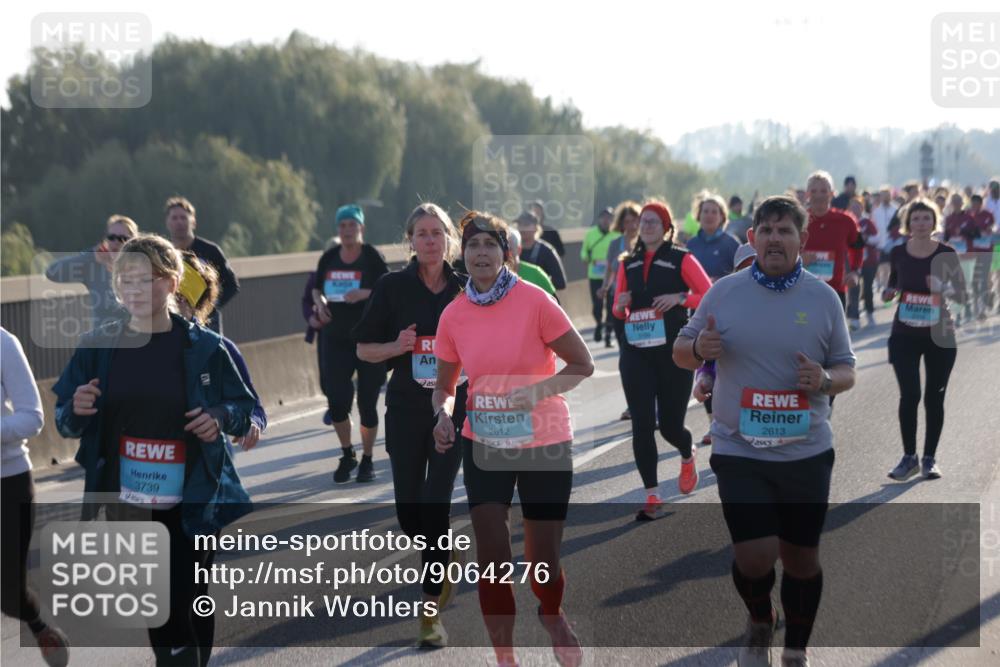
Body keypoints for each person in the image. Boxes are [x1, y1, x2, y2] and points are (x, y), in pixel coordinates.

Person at [52, 234, 255, 667]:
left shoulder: (204, 346)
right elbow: (64, 420)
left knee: (187, 594)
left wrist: (218, 415)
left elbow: (244, 407)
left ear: (173, 281)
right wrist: (76, 408)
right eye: (125, 280)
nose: (135, 289)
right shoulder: (99, 346)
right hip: (129, 499)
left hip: (193, 495)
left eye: (146, 279)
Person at [674, 195, 857, 667]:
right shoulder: (724, 292)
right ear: (752, 238)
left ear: (801, 239)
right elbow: (680, 349)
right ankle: (760, 618)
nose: (775, 239)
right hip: (740, 447)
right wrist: (699, 348)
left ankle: (796, 648)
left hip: (805, 451)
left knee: (800, 561)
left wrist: (824, 380)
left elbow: (846, 370)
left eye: (785, 230)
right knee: (755, 558)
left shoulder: (823, 298)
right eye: (767, 230)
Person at [431, 211, 593, 667]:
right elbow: (445, 386)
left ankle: (552, 612)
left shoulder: (535, 300)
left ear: (506, 252)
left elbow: (582, 364)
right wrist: (442, 416)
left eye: (490, 244)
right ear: (462, 255)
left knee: (542, 562)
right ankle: (505, 657)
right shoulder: (454, 315)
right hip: (483, 440)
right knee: (492, 558)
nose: (481, 252)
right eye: (473, 245)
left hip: (545, 441)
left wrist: (538, 391)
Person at [353, 203, 468, 648]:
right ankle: (444, 551)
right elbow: (363, 350)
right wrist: (396, 345)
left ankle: (428, 615)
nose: (430, 241)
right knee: (409, 514)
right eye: (421, 233)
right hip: (403, 406)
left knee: (435, 505)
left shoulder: (465, 289)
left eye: (437, 233)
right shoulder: (392, 287)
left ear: (448, 240)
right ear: (410, 241)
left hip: (451, 410)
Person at [611, 200, 712, 519]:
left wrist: (680, 298)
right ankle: (652, 495)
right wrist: (621, 303)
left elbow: (708, 294)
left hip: (673, 352)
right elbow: (617, 309)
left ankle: (686, 451)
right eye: (643, 220)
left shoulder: (681, 258)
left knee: (670, 426)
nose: (647, 225)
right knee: (642, 425)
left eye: (654, 221)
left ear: (667, 227)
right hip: (636, 354)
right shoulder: (627, 262)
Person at [883, 199, 966, 481]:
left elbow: (962, 295)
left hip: (939, 335)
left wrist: (942, 287)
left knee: (934, 396)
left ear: (934, 222)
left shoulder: (947, 253)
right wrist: (889, 292)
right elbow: (894, 283)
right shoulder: (898, 252)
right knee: (910, 395)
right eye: (916, 218)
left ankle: (929, 458)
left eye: (926, 218)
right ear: (908, 222)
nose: (921, 223)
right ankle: (909, 457)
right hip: (905, 334)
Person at [2, 328, 71, 667]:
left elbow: (33, 417)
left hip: (8, 480)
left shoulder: (4, 343)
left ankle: (39, 620)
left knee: (8, 593)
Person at [312, 204, 389, 484]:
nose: (346, 230)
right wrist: (319, 304)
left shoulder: (372, 257)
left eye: (352, 225)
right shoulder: (330, 257)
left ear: (361, 229)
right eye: (342, 226)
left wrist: (364, 293)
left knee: (367, 404)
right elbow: (316, 287)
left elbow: (387, 290)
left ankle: (367, 457)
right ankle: (348, 453)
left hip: (369, 338)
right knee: (336, 401)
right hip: (336, 338)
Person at [177, 255, 267, 451]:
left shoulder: (217, 347)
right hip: (147, 465)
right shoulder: (133, 346)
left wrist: (248, 422)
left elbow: (253, 408)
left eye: (178, 298)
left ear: (190, 302)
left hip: (206, 461)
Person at [685, 193, 741, 446]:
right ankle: (712, 424)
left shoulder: (731, 244)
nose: (709, 215)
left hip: (729, 310)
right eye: (705, 211)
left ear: (722, 217)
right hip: (699, 312)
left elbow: (744, 273)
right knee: (704, 365)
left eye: (714, 211)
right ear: (699, 215)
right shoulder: (691, 246)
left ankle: (734, 419)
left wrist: (719, 284)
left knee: (726, 364)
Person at [44, 214, 138, 328]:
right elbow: (52, 272)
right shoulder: (94, 266)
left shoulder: (142, 269)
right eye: (111, 237)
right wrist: (92, 255)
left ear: (133, 242)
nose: (116, 242)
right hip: (102, 341)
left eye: (123, 238)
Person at [164, 197, 240, 334]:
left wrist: (209, 306)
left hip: (206, 321)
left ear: (193, 222)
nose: (179, 222)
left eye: (183, 217)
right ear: (168, 223)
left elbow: (232, 285)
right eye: (174, 218)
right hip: (172, 319)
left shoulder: (211, 251)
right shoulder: (164, 253)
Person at [800, 170, 864, 327]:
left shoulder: (846, 220)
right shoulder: (797, 221)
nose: (819, 195)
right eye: (814, 191)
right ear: (807, 194)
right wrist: (799, 259)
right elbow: (785, 250)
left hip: (835, 291)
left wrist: (854, 271)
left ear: (832, 194)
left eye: (824, 191)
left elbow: (858, 246)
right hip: (802, 291)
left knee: (833, 342)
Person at [581, 207, 620, 344]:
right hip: (595, 275)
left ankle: (608, 333)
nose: (606, 220)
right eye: (603, 217)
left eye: (609, 217)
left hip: (611, 277)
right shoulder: (591, 234)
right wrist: (587, 258)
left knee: (611, 305)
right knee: (597, 305)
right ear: (599, 219)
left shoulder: (616, 235)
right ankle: (599, 323)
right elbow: (583, 252)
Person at [846, 197, 881, 328]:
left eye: (858, 206)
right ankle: (854, 318)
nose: (855, 209)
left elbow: (877, 238)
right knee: (853, 289)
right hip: (852, 262)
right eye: (853, 206)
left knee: (867, 288)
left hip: (869, 261)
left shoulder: (867, 222)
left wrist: (866, 238)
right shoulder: (847, 221)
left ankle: (870, 313)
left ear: (862, 208)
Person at [516, 211, 567, 291]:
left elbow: (560, 283)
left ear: (536, 228)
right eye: (519, 225)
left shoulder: (546, 251)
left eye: (526, 225)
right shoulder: (510, 250)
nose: (522, 228)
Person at [508, 228, 558, 297]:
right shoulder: (492, 277)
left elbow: (555, 304)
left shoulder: (536, 274)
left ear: (519, 250)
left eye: (509, 249)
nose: (505, 254)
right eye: (502, 249)